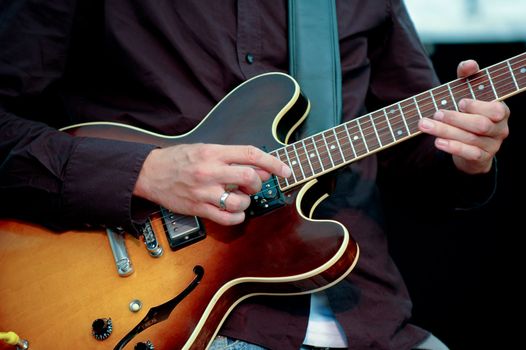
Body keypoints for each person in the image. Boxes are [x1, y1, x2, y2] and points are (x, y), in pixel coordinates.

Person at [0, 1, 511, 350]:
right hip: (168, 317)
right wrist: (145, 172)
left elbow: (418, 159)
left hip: (365, 316)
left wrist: (467, 154)